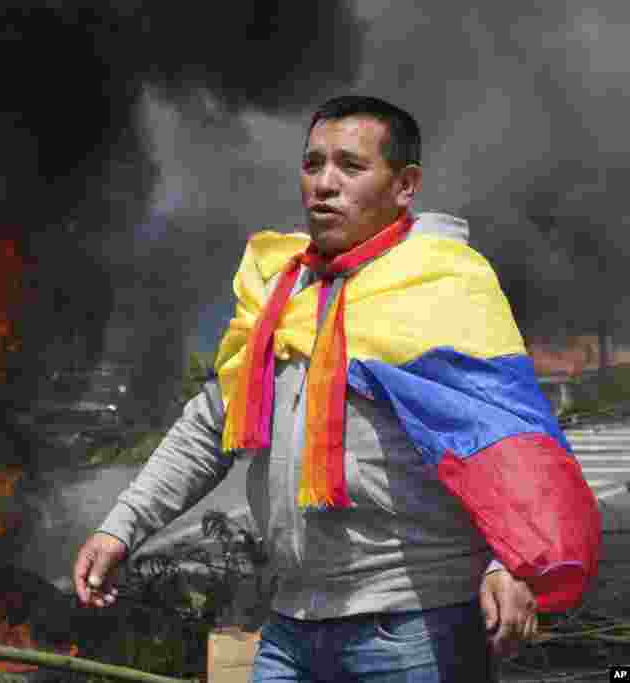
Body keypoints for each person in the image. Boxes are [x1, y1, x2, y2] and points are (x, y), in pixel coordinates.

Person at [72, 96, 601, 682]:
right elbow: (209, 427)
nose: (324, 184)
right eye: (313, 164)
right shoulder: (279, 296)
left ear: (405, 185)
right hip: (292, 624)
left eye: (350, 166)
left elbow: (512, 442)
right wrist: (120, 525)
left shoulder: (440, 288)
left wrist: (511, 561)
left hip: (416, 631)